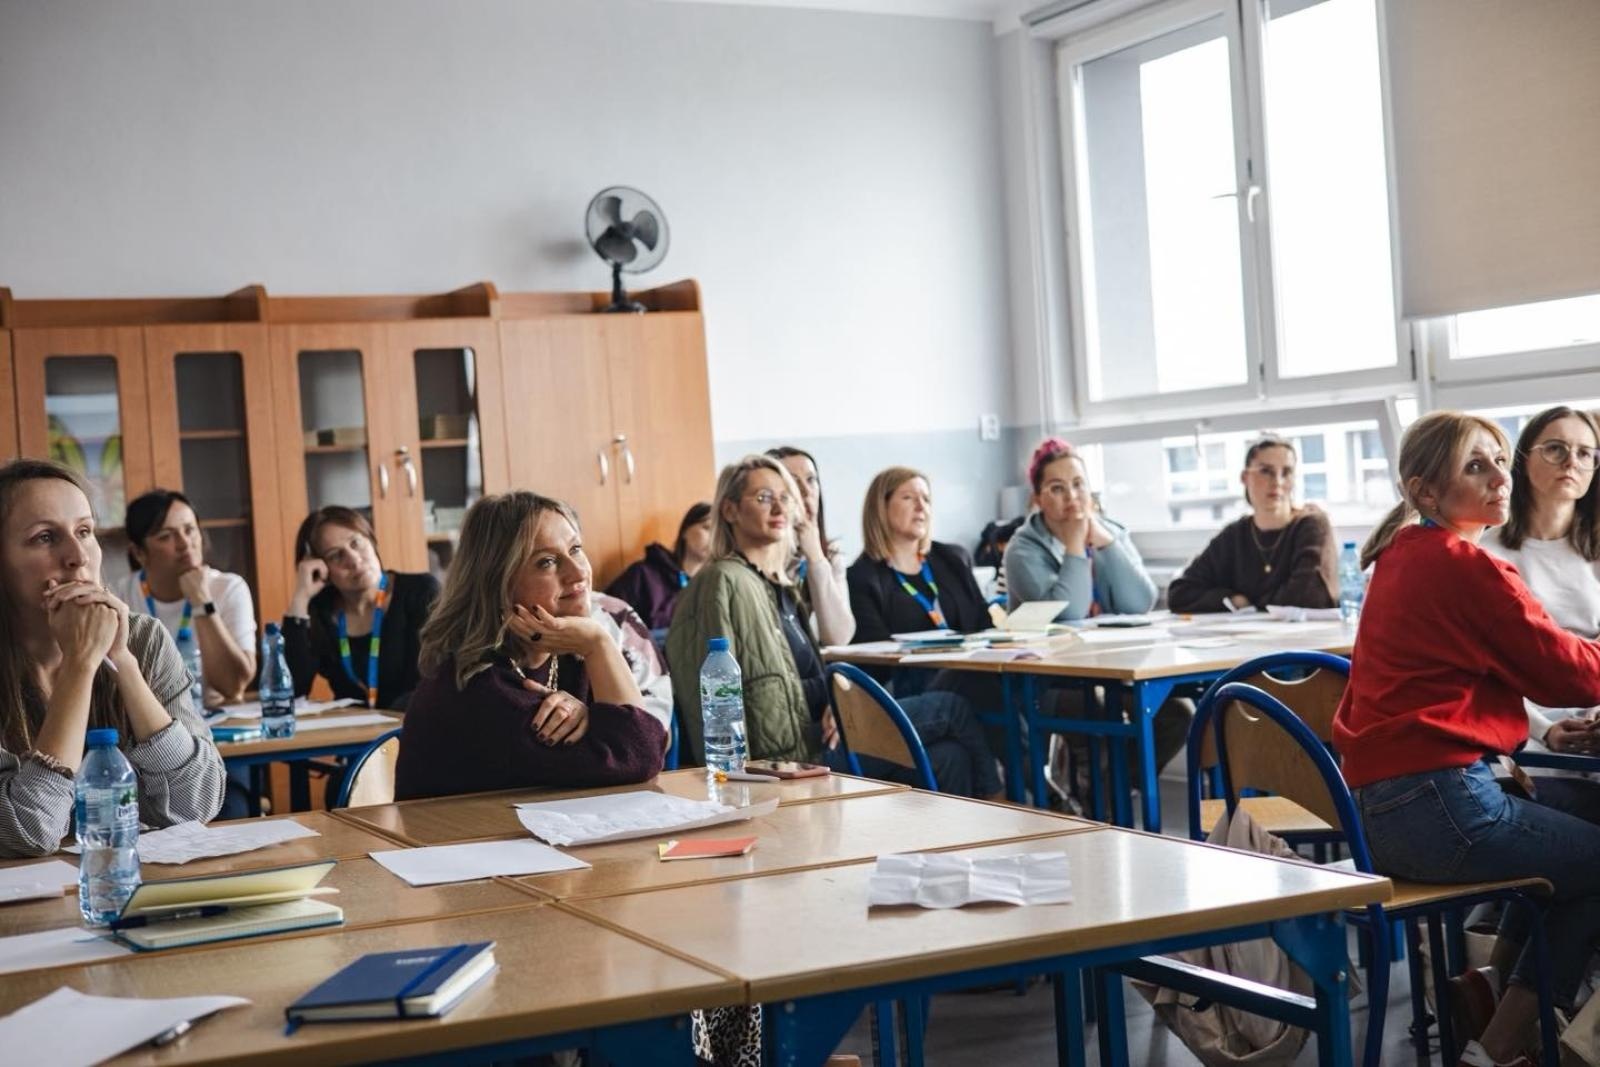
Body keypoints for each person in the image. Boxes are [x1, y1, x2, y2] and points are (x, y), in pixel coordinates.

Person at [1332, 411, 1600, 1067]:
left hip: (1380, 809)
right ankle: (1498, 1046)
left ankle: (1487, 981)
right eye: (1475, 466)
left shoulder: (1402, 555)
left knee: (1585, 812)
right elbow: (1562, 668)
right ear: (1426, 491)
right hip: (1445, 806)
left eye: (1500, 460)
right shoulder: (1468, 567)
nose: (1499, 477)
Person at [0, 459, 225, 858]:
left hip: (127, 886)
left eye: (85, 531)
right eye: (45, 537)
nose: (77, 556)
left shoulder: (143, 639)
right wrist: (80, 666)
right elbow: (27, 831)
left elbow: (197, 805)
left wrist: (123, 661)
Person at [396, 492, 667, 801]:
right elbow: (638, 755)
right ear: (499, 583)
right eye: (547, 562)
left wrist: (590, 717)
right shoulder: (479, 687)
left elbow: (651, 742)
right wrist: (598, 642)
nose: (578, 573)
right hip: (454, 846)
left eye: (576, 549)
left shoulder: (566, 657)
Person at [1480, 406, 1600, 759]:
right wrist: (1544, 730)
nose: (1571, 462)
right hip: (1521, 730)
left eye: (1585, 453)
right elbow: (1484, 669)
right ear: (1522, 460)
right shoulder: (1486, 552)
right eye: (1555, 449)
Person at [282, 507, 439, 711]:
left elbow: (428, 683)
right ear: (321, 568)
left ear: (371, 540)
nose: (354, 560)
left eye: (356, 543)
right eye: (336, 555)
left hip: (411, 730)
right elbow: (291, 692)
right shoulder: (322, 611)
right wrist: (300, 597)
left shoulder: (420, 591)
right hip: (355, 734)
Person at [1166, 435, 1338, 613]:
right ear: (1245, 477)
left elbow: (1309, 596)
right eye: (1266, 471)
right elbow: (1179, 593)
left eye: (1286, 472)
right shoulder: (1234, 535)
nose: (1277, 482)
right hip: (1246, 638)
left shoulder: (1312, 525)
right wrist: (1233, 599)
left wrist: (1251, 602)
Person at [117, 489, 256, 707]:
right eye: (166, 536)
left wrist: (202, 602)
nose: (184, 543)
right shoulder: (121, 596)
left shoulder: (228, 588)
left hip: (215, 725)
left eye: (190, 530)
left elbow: (233, 686)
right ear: (138, 553)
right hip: (150, 728)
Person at [1003, 437, 1157, 621]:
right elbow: (1068, 616)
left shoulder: (1112, 532)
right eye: (1057, 488)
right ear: (1038, 499)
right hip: (1049, 649)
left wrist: (1108, 545)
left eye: (1078, 484)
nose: (1072, 496)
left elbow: (1141, 604)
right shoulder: (1021, 551)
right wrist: (1075, 544)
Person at [847, 466, 993, 640]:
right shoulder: (861, 577)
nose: (921, 506)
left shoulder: (954, 558)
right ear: (881, 508)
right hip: (909, 667)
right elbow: (873, 652)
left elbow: (984, 623)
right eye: (908, 498)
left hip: (971, 663)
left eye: (926, 499)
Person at [766, 446, 855, 646]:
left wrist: (816, 558)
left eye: (811, 480)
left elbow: (838, 637)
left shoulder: (830, 555)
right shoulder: (760, 556)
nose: (806, 492)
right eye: (793, 482)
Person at [605, 502, 712, 634]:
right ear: (685, 530)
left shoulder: (711, 585)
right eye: (707, 528)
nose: (713, 538)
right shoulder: (642, 573)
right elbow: (606, 617)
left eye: (719, 533)